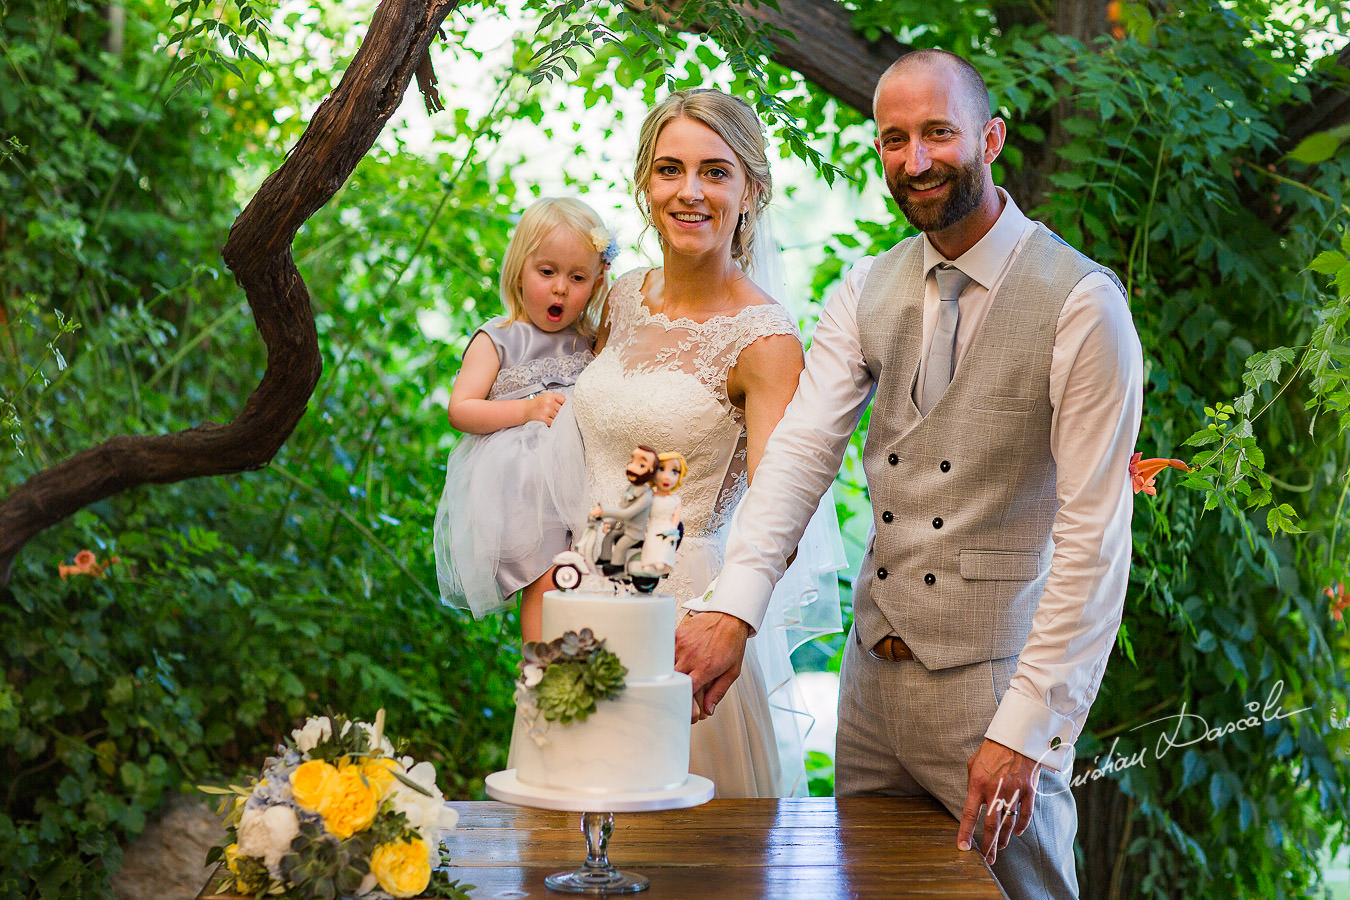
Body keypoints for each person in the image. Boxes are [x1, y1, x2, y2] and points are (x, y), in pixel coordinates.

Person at [677, 50, 1143, 899]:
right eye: (895, 139)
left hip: (994, 695)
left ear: (991, 139)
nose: (916, 161)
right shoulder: (865, 288)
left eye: (939, 133)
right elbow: (799, 457)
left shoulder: (1083, 304)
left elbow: (1094, 540)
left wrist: (1029, 729)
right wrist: (734, 606)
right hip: (869, 695)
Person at [568, 88, 845, 798]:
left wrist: (725, 619)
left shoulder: (767, 342)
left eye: (715, 172)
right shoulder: (622, 296)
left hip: (685, 624)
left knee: (680, 848)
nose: (689, 191)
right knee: (569, 830)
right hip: (581, 602)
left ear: (752, 190)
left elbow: (784, 506)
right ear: (644, 184)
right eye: (669, 169)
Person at [433, 196, 617, 642]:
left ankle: (583, 661)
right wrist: (526, 410)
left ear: (595, 285)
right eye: (547, 272)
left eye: (577, 278)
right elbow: (462, 409)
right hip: (528, 487)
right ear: (519, 270)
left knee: (587, 573)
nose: (560, 289)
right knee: (547, 576)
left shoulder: (589, 342)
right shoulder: (498, 337)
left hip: (583, 479)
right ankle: (542, 667)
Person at [637, 452, 686, 576]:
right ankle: (648, 562)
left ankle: (662, 562)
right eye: (661, 469)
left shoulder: (675, 500)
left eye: (674, 472)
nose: (667, 477)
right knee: (651, 542)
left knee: (665, 544)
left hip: (667, 526)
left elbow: (676, 516)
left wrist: (673, 528)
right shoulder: (650, 496)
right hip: (653, 524)